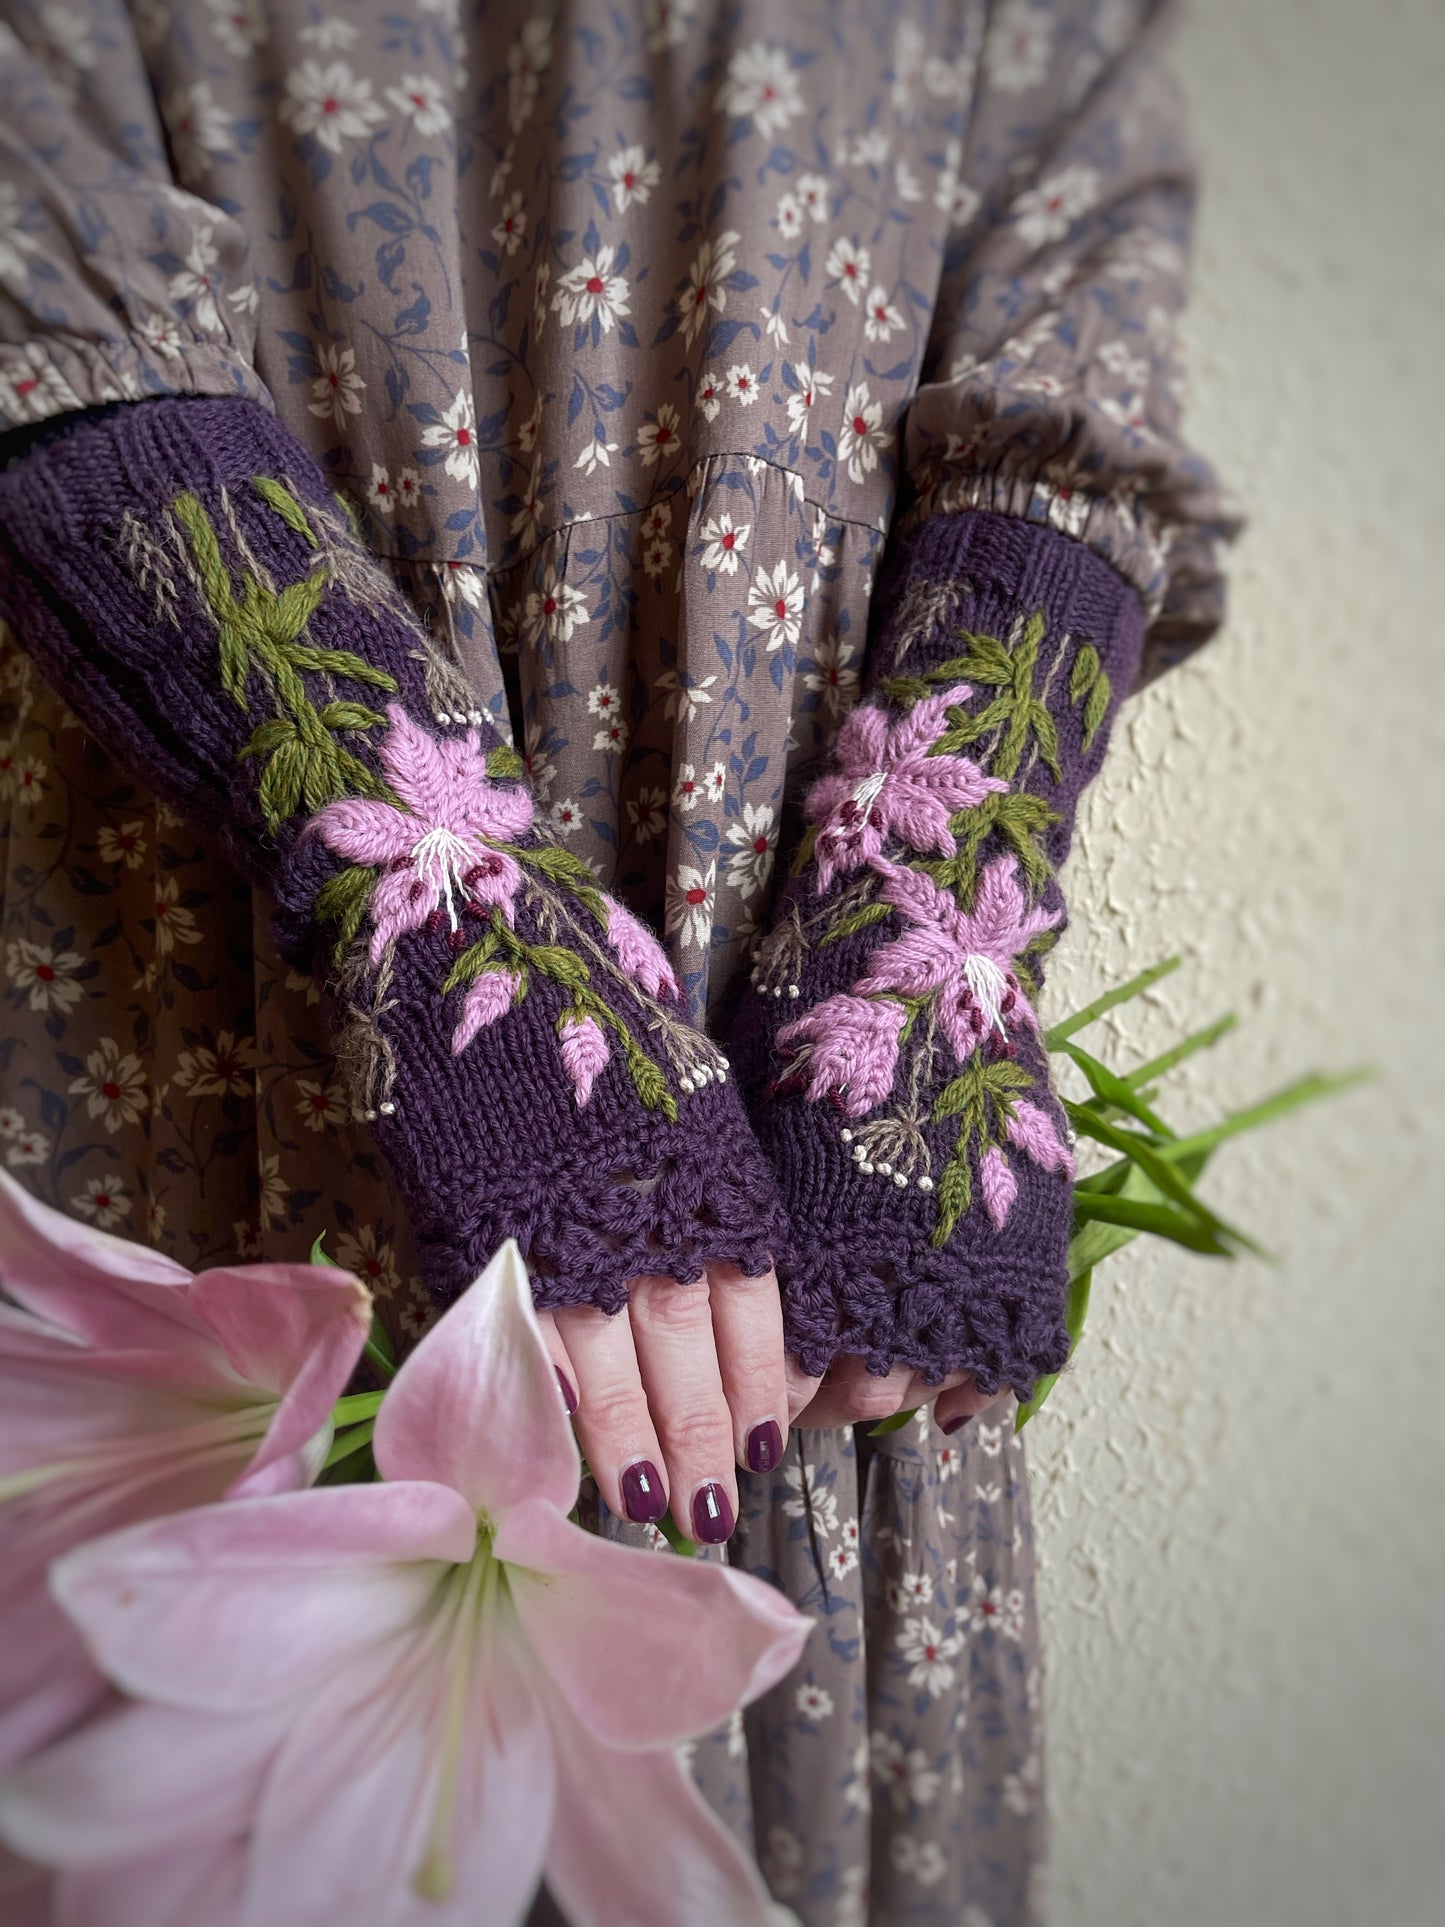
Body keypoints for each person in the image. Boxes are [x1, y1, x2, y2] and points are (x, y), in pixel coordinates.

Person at [0, 1, 1233, 1919]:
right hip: (210, 1100)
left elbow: (1079, 353)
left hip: (776, 1251)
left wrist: (913, 956)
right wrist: (453, 902)